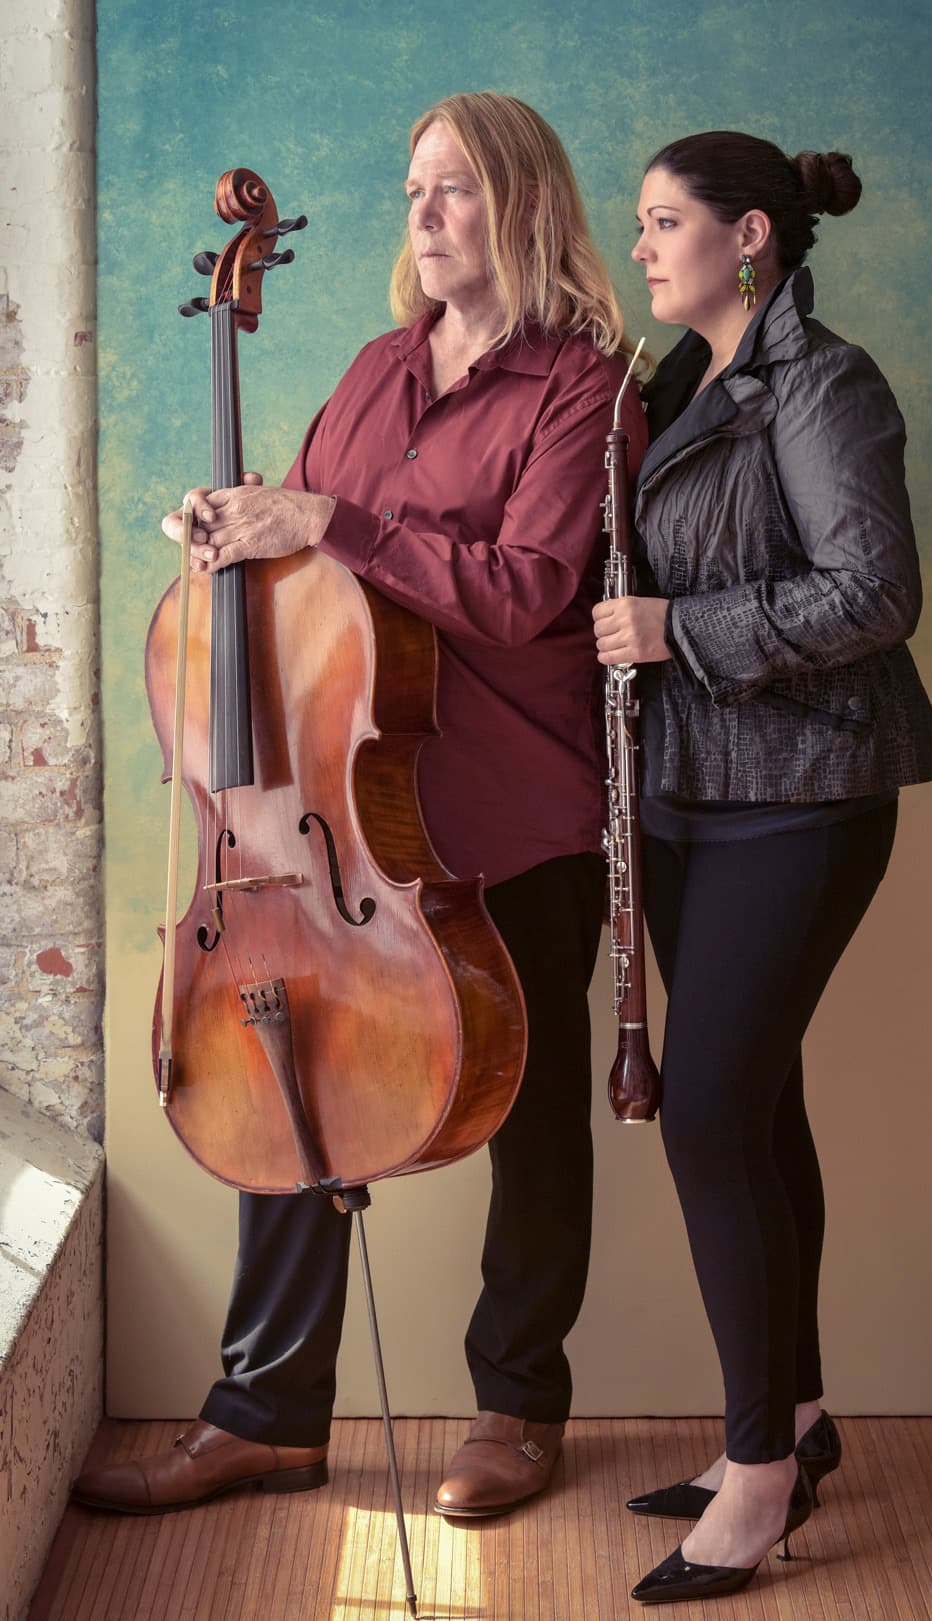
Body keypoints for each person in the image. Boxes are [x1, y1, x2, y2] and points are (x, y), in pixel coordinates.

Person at [74, 92, 646, 1521]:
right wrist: (234, 525)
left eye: (452, 188)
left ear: (519, 200)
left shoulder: (584, 382)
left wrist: (326, 524)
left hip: (510, 805)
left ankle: (516, 1405)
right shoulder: (377, 367)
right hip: (341, 821)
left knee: (530, 1107)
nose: (423, 212)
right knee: (289, 1066)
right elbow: (309, 551)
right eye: (411, 190)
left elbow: (526, 594)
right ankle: (265, 1413)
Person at [592, 131, 932, 1604]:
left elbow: (875, 590)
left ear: (751, 235)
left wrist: (680, 631)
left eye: (665, 223)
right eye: (638, 224)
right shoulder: (672, 378)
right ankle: (792, 1421)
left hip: (800, 798)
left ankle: (752, 1482)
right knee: (760, 1110)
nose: (643, 248)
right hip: (684, 797)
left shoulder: (822, 382)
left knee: (710, 1118)